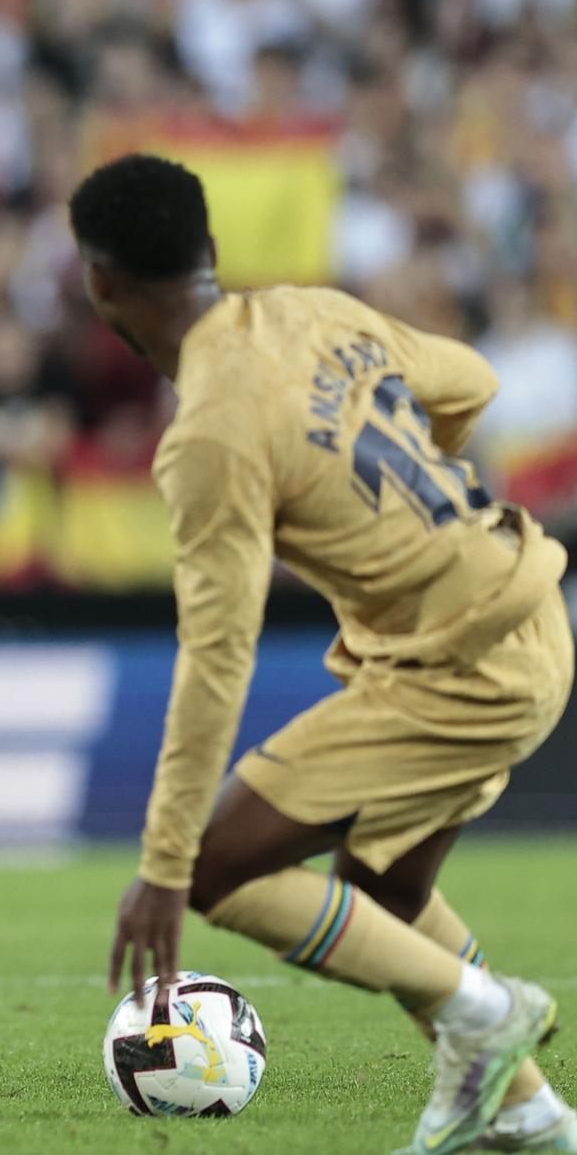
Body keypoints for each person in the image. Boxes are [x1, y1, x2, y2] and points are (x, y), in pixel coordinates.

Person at [73, 154, 573, 1155]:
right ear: (209, 252)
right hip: (529, 615)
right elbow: (469, 381)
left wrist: (162, 864)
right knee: (380, 887)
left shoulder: (208, 431)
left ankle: (481, 1005)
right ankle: (523, 1111)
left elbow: (217, 656)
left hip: (457, 665)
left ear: (98, 282)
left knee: (222, 866)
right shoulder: (315, 313)